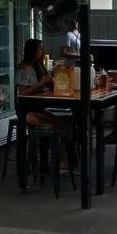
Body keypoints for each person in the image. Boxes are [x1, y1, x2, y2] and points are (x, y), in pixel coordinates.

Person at [17, 38, 71, 169]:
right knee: (55, 127)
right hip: (27, 112)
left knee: (65, 124)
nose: (44, 52)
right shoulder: (24, 68)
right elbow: (22, 92)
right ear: (33, 52)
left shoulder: (38, 66)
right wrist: (40, 83)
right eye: (41, 49)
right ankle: (59, 162)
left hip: (39, 109)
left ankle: (62, 159)